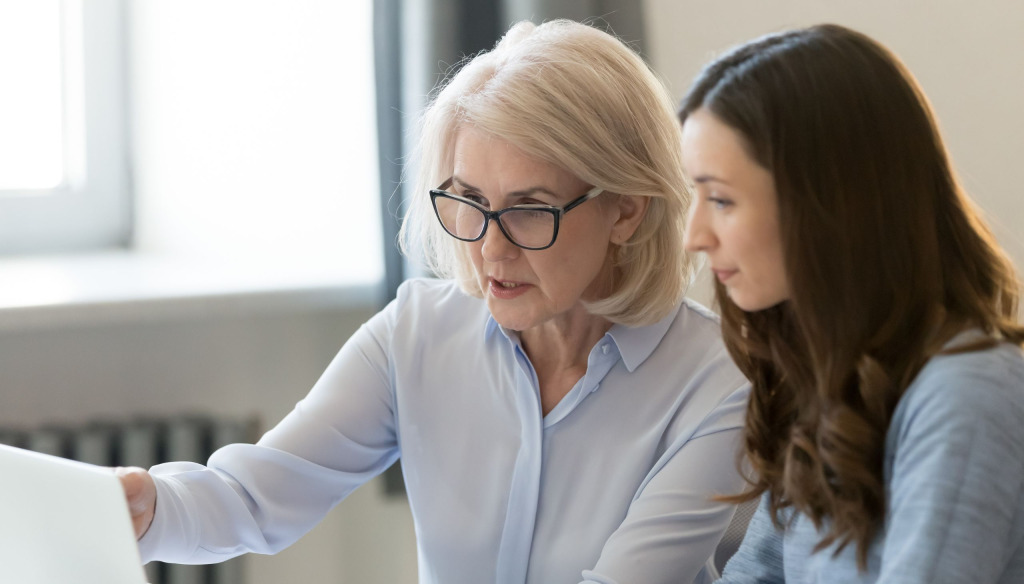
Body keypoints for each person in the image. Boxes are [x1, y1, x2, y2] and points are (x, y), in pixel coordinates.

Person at [117, 19, 750, 584]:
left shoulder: (720, 387)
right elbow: (254, 496)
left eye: (529, 210)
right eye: (469, 202)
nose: (491, 251)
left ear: (627, 210)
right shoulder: (415, 333)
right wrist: (151, 504)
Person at [678, 23, 1024, 583]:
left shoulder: (968, 393)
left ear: (826, 206)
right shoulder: (834, 382)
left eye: (720, 199)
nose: (695, 235)